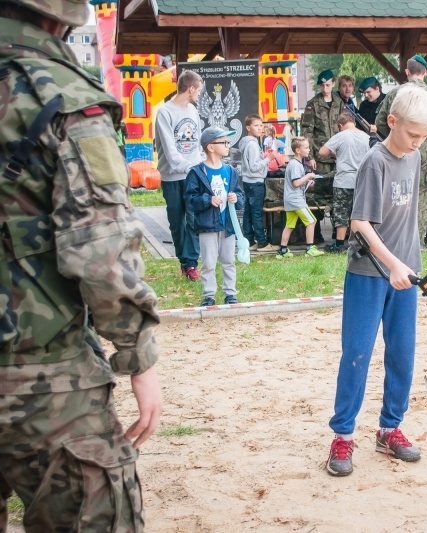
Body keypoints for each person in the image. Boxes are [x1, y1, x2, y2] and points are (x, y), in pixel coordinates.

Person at [0, 0, 163, 529]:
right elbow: (102, 253)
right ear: (60, 19)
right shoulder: (59, 94)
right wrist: (137, 353)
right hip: (41, 381)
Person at [326, 85, 427, 477]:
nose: (418, 143)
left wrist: (406, 265)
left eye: (424, 137)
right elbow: (360, 224)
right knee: (356, 355)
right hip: (369, 274)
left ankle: (390, 428)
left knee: (402, 356)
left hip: (405, 274)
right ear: (392, 122)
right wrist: (391, 264)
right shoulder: (375, 162)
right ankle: (342, 436)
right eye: (413, 135)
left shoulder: (414, 156)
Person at [376, 55, 427, 246]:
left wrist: (396, 138)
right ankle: (415, 247)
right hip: (424, 157)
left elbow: (380, 122)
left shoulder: (394, 93)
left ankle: (391, 245)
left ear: (407, 72)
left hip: (395, 155)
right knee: (420, 204)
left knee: (394, 199)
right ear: (425, 72)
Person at [185, 128, 245, 306]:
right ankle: (209, 295)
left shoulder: (231, 171)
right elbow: (189, 200)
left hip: (228, 225)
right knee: (209, 262)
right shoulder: (197, 172)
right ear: (211, 147)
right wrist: (207, 200)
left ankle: (230, 293)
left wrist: (236, 198)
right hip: (207, 225)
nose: (228, 146)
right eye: (224, 143)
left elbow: (240, 196)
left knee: (229, 260)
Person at [154, 69, 204, 281]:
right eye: (199, 90)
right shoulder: (165, 113)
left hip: (192, 174)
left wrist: (201, 166)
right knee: (177, 222)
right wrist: (187, 167)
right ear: (190, 89)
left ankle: (191, 263)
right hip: (172, 176)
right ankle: (184, 260)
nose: (199, 95)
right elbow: (170, 152)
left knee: (193, 219)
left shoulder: (193, 111)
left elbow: (198, 144)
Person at [318, 113, 371, 254]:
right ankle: (362, 243)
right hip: (361, 181)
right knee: (360, 214)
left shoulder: (341, 136)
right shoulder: (366, 137)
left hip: (343, 181)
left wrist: (334, 154)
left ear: (340, 125)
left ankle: (339, 245)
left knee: (341, 213)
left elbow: (322, 152)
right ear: (353, 122)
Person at [276, 137, 326, 258]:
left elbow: (298, 182)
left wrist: (308, 182)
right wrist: (308, 175)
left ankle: (282, 250)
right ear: (298, 150)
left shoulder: (296, 164)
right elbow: (296, 183)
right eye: (306, 147)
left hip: (291, 200)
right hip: (295, 200)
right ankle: (310, 248)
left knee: (289, 225)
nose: (309, 150)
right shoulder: (295, 164)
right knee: (312, 221)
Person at [300, 69, 345, 175]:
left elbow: (344, 129)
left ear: (333, 83)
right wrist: (309, 157)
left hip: (337, 156)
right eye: (322, 85)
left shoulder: (339, 103)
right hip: (319, 158)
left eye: (328, 85)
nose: (325, 89)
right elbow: (306, 132)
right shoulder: (312, 104)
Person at [240, 115, 273, 251]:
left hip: (248, 181)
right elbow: (254, 166)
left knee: (248, 212)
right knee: (256, 213)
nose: (260, 128)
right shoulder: (252, 144)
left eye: (261, 125)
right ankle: (262, 242)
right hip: (255, 182)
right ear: (248, 127)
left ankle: (249, 240)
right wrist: (268, 159)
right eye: (256, 125)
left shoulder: (247, 142)